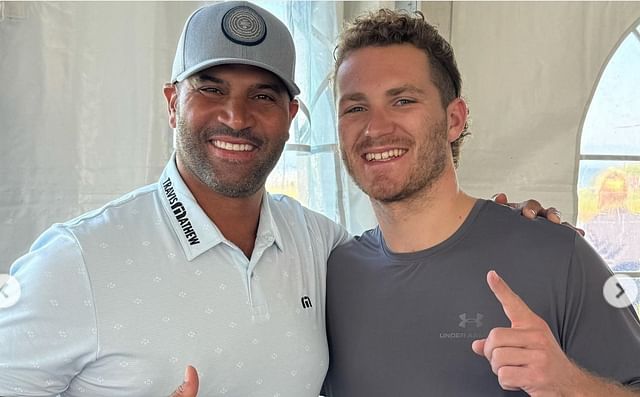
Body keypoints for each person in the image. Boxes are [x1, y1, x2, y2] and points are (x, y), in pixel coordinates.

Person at [0, 2, 560, 396]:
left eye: (262, 96)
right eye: (211, 89)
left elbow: (413, 255)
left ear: (291, 117)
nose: (236, 117)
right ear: (173, 103)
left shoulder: (323, 245)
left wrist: (508, 226)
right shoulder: (76, 258)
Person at [321, 8, 640, 396]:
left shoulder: (558, 254)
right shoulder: (333, 274)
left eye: (403, 101)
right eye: (355, 108)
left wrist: (570, 385)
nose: (375, 127)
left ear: (454, 119)